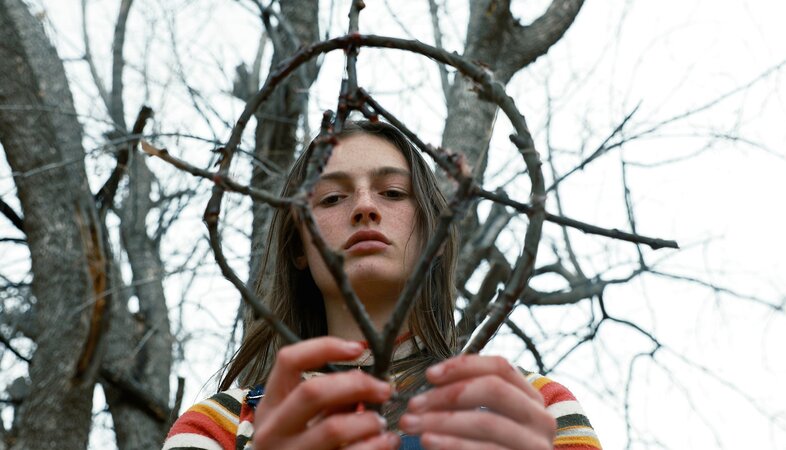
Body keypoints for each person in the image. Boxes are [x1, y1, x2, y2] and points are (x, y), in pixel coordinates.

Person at [163, 120, 602, 450]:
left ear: (432, 233)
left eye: (392, 192)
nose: (364, 207)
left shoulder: (535, 406)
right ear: (299, 247)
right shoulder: (219, 424)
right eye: (331, 198)